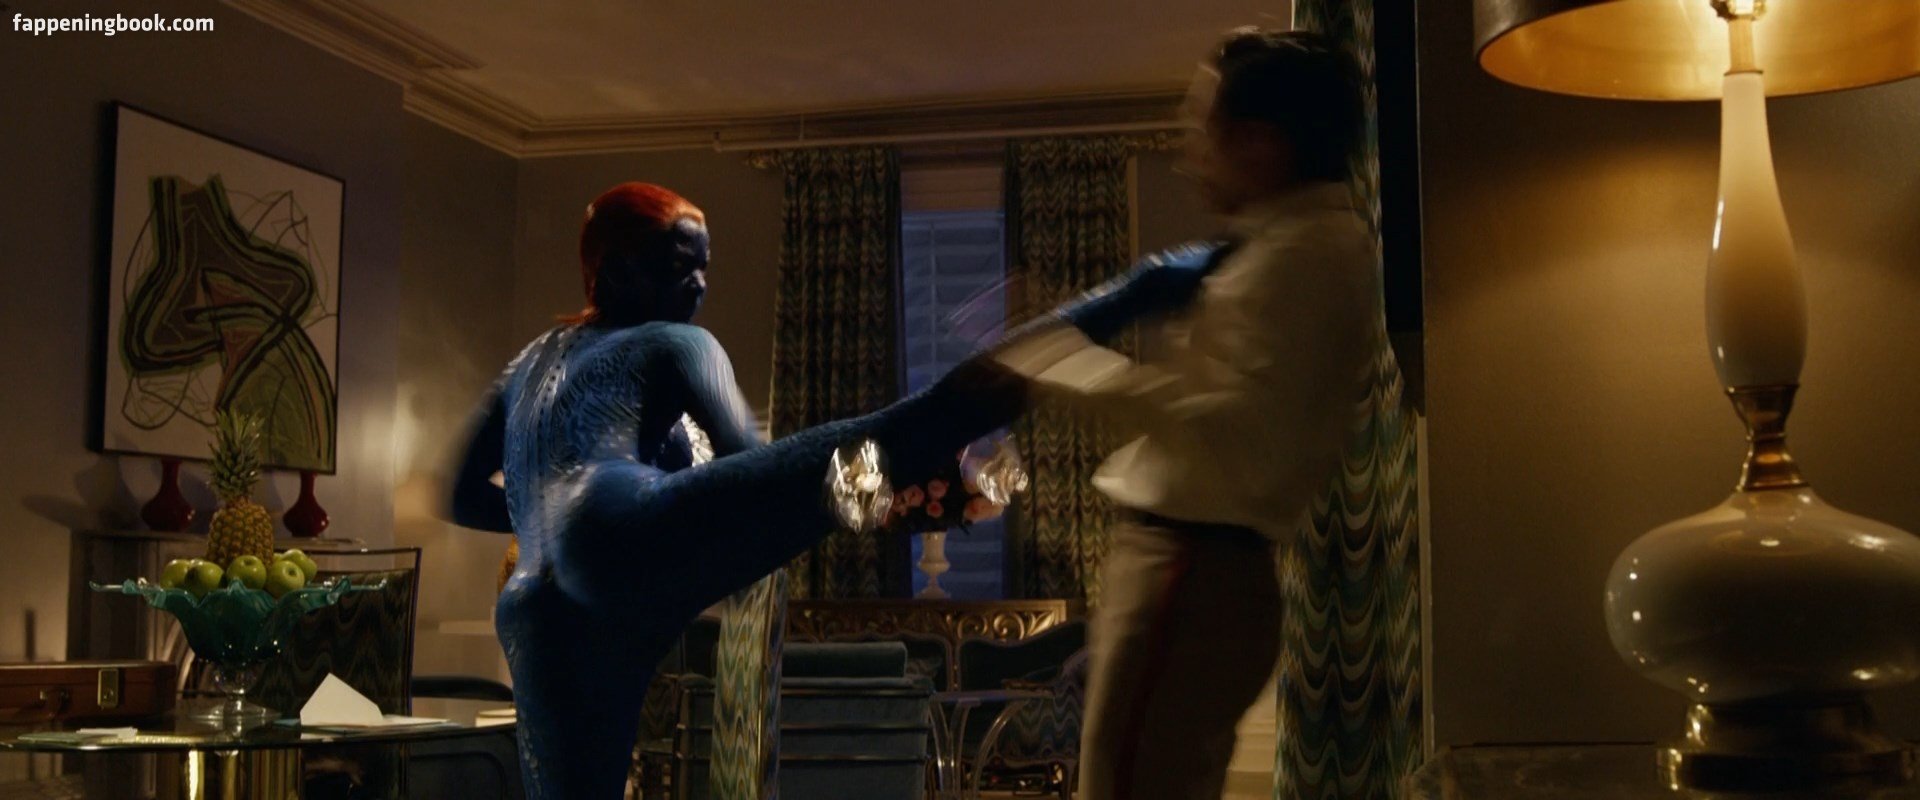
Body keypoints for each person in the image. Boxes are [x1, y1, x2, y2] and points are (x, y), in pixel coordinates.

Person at [445, 181, 1209, 799]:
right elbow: (753, 469)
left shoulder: (528, 363)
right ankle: (1144, 287)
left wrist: (557, 520)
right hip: (626, 528)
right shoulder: (677, 342)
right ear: (614, 270)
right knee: (922, 422)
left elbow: (459, 493)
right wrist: (862, 494)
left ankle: (903, 491)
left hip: (532, 600)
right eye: (679, 266)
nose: (700, 283)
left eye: (704, 265)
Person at [988, 28, 1377, 800]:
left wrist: (1049, 359)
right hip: (1195, 573)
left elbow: (1219, 422)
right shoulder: (1295, 247)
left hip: (1190, 572)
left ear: (1260, 143)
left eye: (1203, 127)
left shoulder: (1302, 258)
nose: (1188, 152)